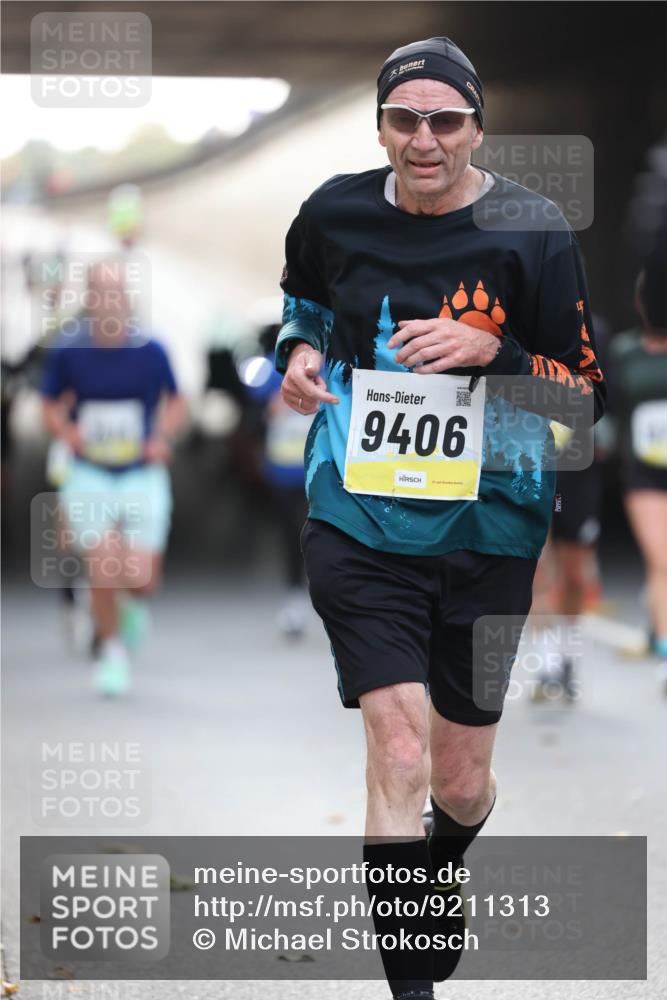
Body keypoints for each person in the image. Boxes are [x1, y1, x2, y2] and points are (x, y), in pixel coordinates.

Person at [276, 36, 605, 998]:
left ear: (474, 128)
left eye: (444, 120)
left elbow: (583, 399)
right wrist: (296, 354)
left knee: (458, 781)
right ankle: (410, 984)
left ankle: (442, 863)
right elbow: (301, 304)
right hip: (357, 517)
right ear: (379, 124)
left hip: (493, 528)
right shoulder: (331, 211)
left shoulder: (532, 229)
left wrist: (491, 354)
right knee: (401, 745)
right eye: (402, 119)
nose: (423, 140)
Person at [41, 258, 187, 696]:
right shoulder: (69, 351)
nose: (109, 303)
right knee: (102, 563)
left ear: (127, 299)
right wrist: (67, 432)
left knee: (141, 580)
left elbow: (177, 401)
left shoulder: (151, 350)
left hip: (141, 472)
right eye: (100, 294)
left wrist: (161, 435)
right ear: (89, 301)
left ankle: (131, 608)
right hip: (90, 472)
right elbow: (48, 405)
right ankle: (111, 652)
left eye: (116, 294)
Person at [608, 228, 667, 692]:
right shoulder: (625, 351)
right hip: (644, 471)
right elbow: (602, 404)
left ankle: (656, 628)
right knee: (661, 559)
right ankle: (666, 651)